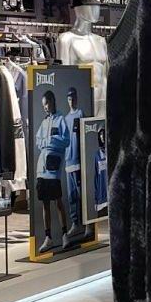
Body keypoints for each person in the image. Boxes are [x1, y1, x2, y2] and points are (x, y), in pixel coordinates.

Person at [35, 90, 70, 253]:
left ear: (52, 102)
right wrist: (46, 142)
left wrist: (49, 141)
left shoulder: (61, 120)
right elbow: (38, 141)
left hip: (53, 168)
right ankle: (48, 237)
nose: (45, 107)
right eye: (43, 105)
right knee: (45, 203)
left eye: (47, 104)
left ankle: (64, 235)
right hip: (41, 168)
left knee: (58, 201)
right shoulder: (44, 122)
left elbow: (66, 141)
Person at [64, 87, 85, 239]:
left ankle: (86, 223)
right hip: (68, 161)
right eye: (69, 99)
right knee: (71, 195)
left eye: (73, 98)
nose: (71, 101)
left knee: (80, 193)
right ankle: (75, 223)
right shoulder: (65, 119)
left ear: (76, 98)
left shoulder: (80, 114)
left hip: (78, 160)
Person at [94, 126, 108, 214]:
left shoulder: (113, 152)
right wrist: (96, 199)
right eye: (100, 135)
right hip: (101, 199)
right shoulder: (97, 155)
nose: (102, 137)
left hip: (113, 197)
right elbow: (96, 178)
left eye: (104, 134)